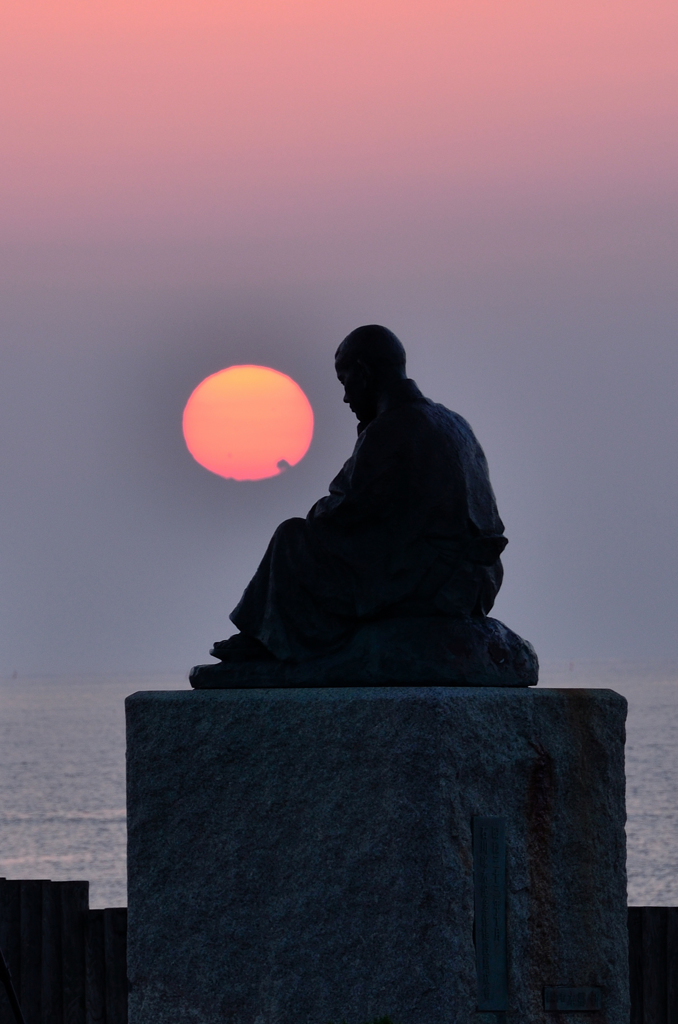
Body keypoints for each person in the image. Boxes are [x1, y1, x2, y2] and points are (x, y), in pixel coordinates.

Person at [212, 324, 507, 663]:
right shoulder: (454, 423)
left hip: (431, 582)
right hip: (479, 583)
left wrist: (318, 516)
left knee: (291, 537)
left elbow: (344, 515)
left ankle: (264, 641)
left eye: (345, 381)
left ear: (364, 373)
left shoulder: (390, 428)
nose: (345, 397)